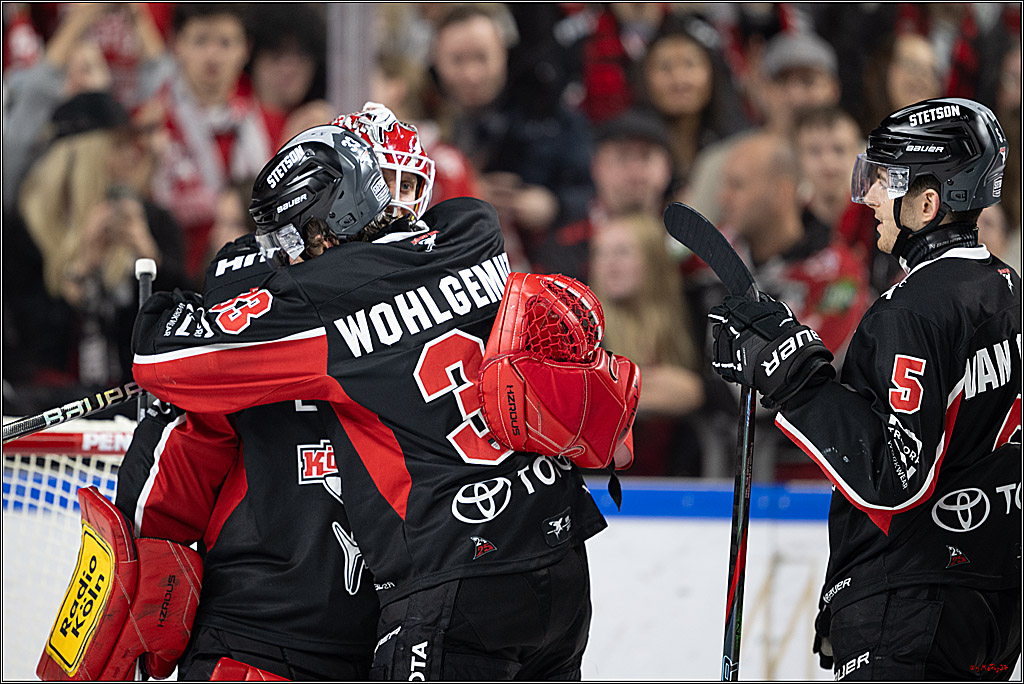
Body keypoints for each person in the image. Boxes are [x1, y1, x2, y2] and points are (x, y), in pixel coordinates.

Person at [131, 119, 640, 680]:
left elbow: (166, 363)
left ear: (335, 216)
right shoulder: (474, 230)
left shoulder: (323, 301)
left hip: (451, 578)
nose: (291, 255)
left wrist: (197, 298)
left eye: (297, 236)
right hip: (559, 556)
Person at [708, 97, 1021, 679]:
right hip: (993, 600)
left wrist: (794, 377)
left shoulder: (914, 307)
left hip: (911, 599)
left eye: (886, 181)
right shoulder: (1010, 292)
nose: (870, 197)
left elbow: (894, 475)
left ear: (928, 202)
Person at [715, 130, 872, 481]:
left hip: (812, 475)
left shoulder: (838, 272)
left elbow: (795, 372)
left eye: (737, 185)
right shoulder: (712, 253)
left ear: (782, 191)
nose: (723, 197)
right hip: (717, 468)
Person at [430, 3, 594, 270]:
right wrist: (463, 189)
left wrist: (553, 206)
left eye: (481, 57)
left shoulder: (550, 113)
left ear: (503, 54)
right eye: (457, 60)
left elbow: (592, 190)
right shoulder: (418, 120)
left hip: (541, 271)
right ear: (436, 60)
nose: (471, 74)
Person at [682, 29, 843, 227]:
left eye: (808, 81)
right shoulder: (724, 160)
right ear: (762, 89)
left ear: (834, 89)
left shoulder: (865, 160)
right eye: (781, 81)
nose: (795, 96)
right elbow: (688, 243)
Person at [588, 212, 708, 476]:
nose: (609, 264)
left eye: (622, 252)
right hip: (608, 484)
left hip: (690, 482)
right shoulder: (582, 331)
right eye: (600, 253)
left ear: (654, 260)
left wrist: (702, 393)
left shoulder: (696, 315)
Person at [533, 107, 675, 281]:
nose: (635, 173)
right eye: (622, 158)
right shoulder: (565, 245)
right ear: (596, 167)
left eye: (646, 157)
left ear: (667, 168)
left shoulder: (688, 243)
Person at [792, 105, 902, 297]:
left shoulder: (882, 219)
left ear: (857, 155)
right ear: (799, 160)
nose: (828, 162)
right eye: (815, 151)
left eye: (839, 150)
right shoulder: (791, 225)